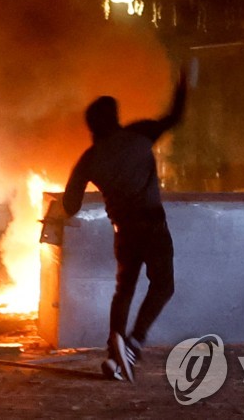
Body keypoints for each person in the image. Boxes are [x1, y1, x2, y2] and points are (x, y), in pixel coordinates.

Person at [62, 65, 189, 383]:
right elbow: (174, 117)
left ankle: (114, 356)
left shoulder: (90, 157)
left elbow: (70, 205)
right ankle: (132, 344)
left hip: (124, 231)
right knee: (163, 285)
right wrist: (184, 86)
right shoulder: (140, 133)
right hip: (153, 226)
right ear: (115, 117)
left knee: (124, 289)